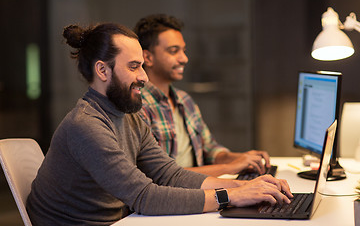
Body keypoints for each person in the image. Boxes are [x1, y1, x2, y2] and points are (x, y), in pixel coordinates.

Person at [26, 23, 292, 226]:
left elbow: (170, 175)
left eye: (142, 66)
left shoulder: (128, 116)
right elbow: (145, 197)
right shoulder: (86, 126)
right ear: (102, 71)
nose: (143, 77)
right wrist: (230, 197)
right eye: (133, 67)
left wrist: (244, 187)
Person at [134, 14, 271, 177]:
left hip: (201, 187)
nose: (184, 59)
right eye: (173, 51)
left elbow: (210, 150)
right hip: (175, 197)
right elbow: (161, 176)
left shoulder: (184, 100)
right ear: (147, 57)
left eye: (183, 51)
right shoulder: (138, 107)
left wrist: (241, 158)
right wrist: (231, 167)